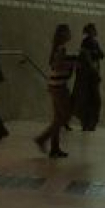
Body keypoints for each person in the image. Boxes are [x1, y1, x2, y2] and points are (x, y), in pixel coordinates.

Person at [35, 24, 78, 158]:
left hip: (54, 85)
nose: (70, 33)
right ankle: (42, 139)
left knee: (58, 118)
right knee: (65, 116)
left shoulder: (57, 48)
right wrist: (73, 63)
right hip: (59, 87)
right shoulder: (61, 49)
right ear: (63, 34)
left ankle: (54, 148)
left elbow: (55, 64)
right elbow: (58, 65)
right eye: (68, 31)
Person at [71, 23, 105, 131]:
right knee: (89, 99)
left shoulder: (94, 42)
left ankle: (89, 122)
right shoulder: (87, 42)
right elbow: (88, 57)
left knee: (93, 100)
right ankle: (87, 123)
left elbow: (101, 55)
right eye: (93, 29)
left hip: (91, 76)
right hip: (88, 76)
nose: (95, 31)